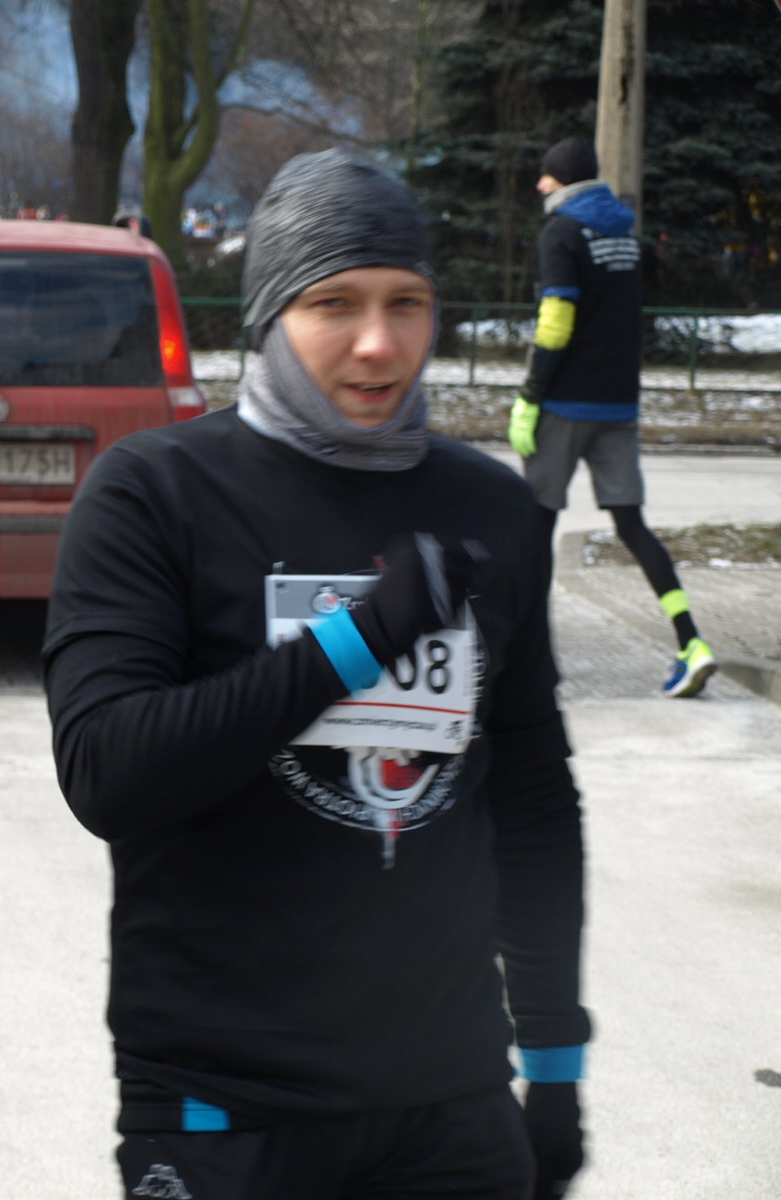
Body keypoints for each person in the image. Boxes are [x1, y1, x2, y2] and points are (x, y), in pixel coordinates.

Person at [44, 149, 588, 1200]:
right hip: (224, 1106)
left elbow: (531, 802)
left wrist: (556, 1060)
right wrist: (359, 637)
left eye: (406, 303)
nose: (378, 343)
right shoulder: (155, 494)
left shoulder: (489, 509)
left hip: (450, 1103)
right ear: (269, 315)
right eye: (333, 303)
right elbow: (109, 774)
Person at [508, 135, 716, 697]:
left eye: (546, 175)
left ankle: (533, 664)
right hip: (618, 404)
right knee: (631, 525)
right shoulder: (624, 233)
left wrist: (530, 395)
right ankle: (691, 641)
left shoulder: (561, 232)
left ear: (563, 181)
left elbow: (555, 323)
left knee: (537, 529)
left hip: (565, 404)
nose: (539, 184)